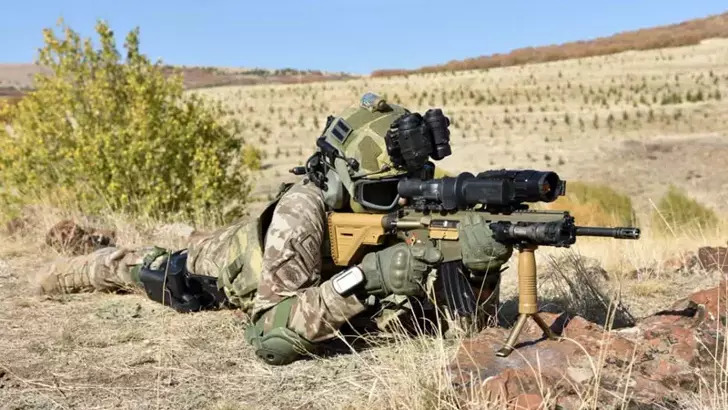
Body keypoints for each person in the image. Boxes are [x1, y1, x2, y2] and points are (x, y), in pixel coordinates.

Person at [39, 93, 513, 365]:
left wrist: (480, 268)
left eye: (410, 186)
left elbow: (465, 325)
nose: (401, 200)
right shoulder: (304, 209)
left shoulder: (407, 204)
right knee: (147, 267)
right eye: (383, 192)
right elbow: (268, 336)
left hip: (294, 267)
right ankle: (61, 273)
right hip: (221, 270)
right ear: (341, 180)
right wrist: (369, 277)